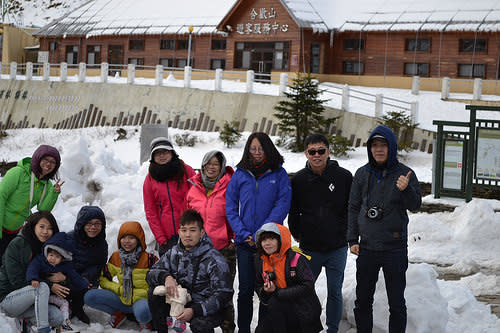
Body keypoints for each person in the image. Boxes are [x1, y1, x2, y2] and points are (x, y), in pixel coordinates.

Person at [347, 125, 422, 333]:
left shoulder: (405, 174)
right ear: (370, 148)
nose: (379, 150)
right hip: (367, 247)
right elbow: (353, 207)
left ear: (392, 147)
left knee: (397, 304)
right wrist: (352, 239)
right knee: (362, 301)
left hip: (394, 248)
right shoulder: (362, 174)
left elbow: (415, 205)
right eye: (375, 145)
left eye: (383, 145)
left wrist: (405, 190)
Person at [225, 132, 292, 333]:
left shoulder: (278, 173)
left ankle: (264, 329)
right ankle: (244, 329)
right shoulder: (240, 173)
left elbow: (283, 202)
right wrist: (242, 232)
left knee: (267, 290)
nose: (256, 153)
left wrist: (263, 233)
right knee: (245, 291)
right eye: (253, 149)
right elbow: (230, 206)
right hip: (245, 243)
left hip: (269, 244)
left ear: (268, 149)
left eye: (260, 149)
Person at [288, 133, 353, 333]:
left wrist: (347, 234)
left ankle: (332, 328)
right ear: (306, 153)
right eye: (312, 151)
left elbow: (352, 208)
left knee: (334, 291)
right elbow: (293, 210)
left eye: (321, 151)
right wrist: (298, 233)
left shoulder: (343, 177)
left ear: (328, 151)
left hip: (337, 248)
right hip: (310, 248)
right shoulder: (298, 179)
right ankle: (307, 327)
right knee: (305, 290)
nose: (317, 155)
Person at [147, 209, 233, 333]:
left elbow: (223, 294)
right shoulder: (174, 252)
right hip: (181, 300)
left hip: (205, 307)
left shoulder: (214, 258)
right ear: (179, 232)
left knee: (199, 324)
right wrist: (166, 277)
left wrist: (195, 310)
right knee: (153, 294)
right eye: (184, 230)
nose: (188, 235)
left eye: (192, 230)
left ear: (201, 232)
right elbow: (151, 273)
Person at [186, 150, 236, 333]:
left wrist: (234, 238)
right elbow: (187, 219)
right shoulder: (194, 188)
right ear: (203, 165)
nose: (212, 167)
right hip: (198, 251)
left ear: (222, 166)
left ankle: (228, 329)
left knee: (224, 294)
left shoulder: (230, 186)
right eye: (209, 163)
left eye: (216, 164)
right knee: (201, 293)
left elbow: (235, 213)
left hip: (223, 249)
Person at [85, 221, 157, 330]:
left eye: (131, 238)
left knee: (143, 312)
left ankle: (144, 321)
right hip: (122, 298)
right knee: (90, 297)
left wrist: (135, 293)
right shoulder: (116, 257)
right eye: (123, 238)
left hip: (141, 300)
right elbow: (103, 279)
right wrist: (119, 289)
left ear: (139, 239)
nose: (127, 241)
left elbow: (156, 286)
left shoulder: (150, 259)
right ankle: (119, 314)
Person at [0, 211, 64, 333]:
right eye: (41, 227)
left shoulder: (48, 249)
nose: (45, 231)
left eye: (50, 228)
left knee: (57, 317)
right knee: (42, 286)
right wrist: (49, 283)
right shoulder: (18, 244)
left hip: (31, 301)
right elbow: (16, 282)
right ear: (33, 226)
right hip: (8, 300)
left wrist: (61, 277)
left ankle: (24, 321)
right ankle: (43, 330)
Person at [254, 222, 322, 333]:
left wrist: (277, 292)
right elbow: (258, 285)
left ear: (281, 240)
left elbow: (308, 285)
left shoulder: (295, 258)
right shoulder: (260, 260)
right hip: (276, 310)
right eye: (264, 240)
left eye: (271, 239)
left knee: (275, 303)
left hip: (301, 308)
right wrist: (265, 291)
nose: (267, 243)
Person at [0, 145, 64, 257]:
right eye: (45, 159)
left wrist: (54, 193)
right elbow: (1, 196)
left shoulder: (46, 185)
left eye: (53, 162)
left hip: (15, 231)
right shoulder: (18, 173)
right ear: (38, 158)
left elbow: (43, 210)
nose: (48, 164)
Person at [26, 231, 90, 332]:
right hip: (40, 294)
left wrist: (85, 285)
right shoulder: (40, 260)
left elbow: (75, 276)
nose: (53, 259)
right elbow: (32, 268)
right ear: (47, 252)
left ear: (62, 259)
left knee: (64, 303)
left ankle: (65, 323)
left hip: (52, 296)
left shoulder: (65, 266)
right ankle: (35, 324)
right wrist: (33, 278)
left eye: (57, 257)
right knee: (40, 306)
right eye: (51, 255)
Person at [143, 137, 196, 257]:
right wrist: (161, 237)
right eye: (157, 153)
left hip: (189, 233)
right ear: (152, 157)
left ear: (172, 152)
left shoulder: (186, 170)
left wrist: (195, 229)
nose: (162, 156)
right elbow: (150, 211)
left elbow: (198, 200)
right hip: (167, 238)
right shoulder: (150, 178)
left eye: (165, 151)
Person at [67, 205, 108, 324]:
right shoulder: (69, 238)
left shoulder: (102, 244)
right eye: (89, 224)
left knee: (86, 285)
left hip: (86, 277)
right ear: (82, 224)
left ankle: (78, 308)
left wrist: (86, 276)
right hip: (67, 274)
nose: (93, 227)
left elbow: (99, 264)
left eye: (97, 224)